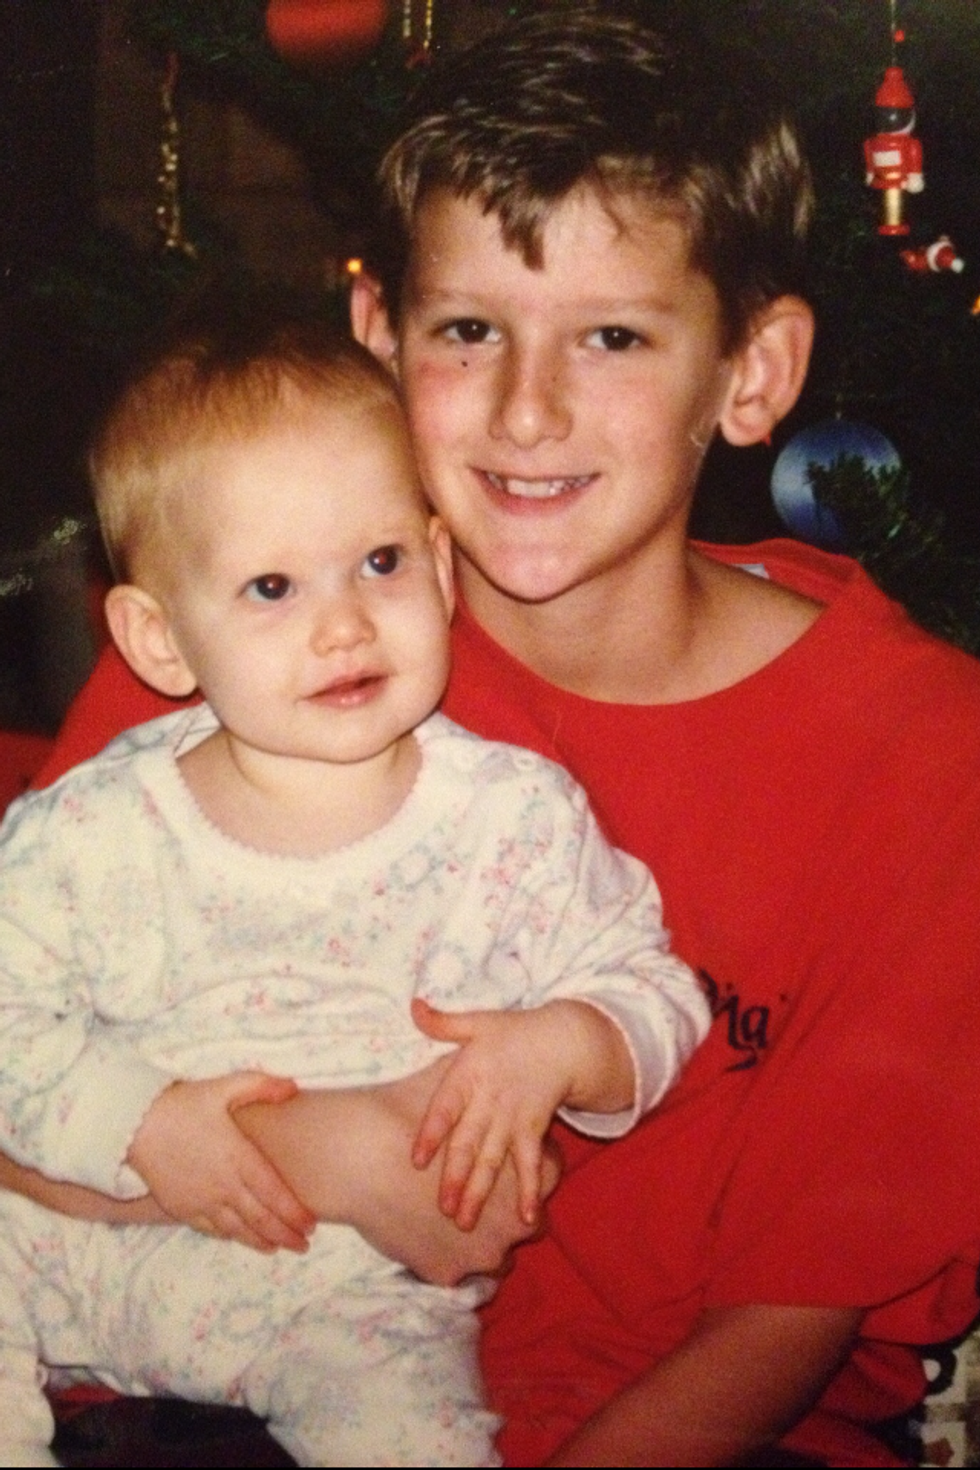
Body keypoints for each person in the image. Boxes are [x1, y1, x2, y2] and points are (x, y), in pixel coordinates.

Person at [7, 4, 980, 1465]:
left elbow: (791, 1319)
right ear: (380, 338)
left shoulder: (917, 756)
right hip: (178, 1381)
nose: (528, 412)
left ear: (752, 374)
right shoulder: (269, 640)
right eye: (468, 330)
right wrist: (334, 1152)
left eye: (613, 336)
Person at [0, 303, 709, 1468]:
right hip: (61, 1249)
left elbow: (653, 988)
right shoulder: (93, 831)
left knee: (415, 1435)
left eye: (379, 564)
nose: (342, 626)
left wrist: (562, 1046)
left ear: (439, 569)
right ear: (159, 639)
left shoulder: (508, 820)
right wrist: (139, 1119)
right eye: (271, 588)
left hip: (344, 1294)